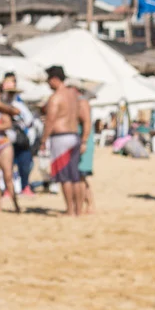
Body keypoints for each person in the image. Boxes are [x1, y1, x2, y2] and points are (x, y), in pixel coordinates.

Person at [41, 65, 92, 217]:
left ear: (55, 79)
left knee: (65, 177)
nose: (47, 84)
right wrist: (84, 139)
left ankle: (70, 210)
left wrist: (43, 140)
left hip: (60, 137)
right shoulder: (74, 96)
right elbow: (84, 119)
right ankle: (78, 210)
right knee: (75, 176)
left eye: (48, 81)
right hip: (74, 136)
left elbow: (50, 120)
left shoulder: (56, 97)